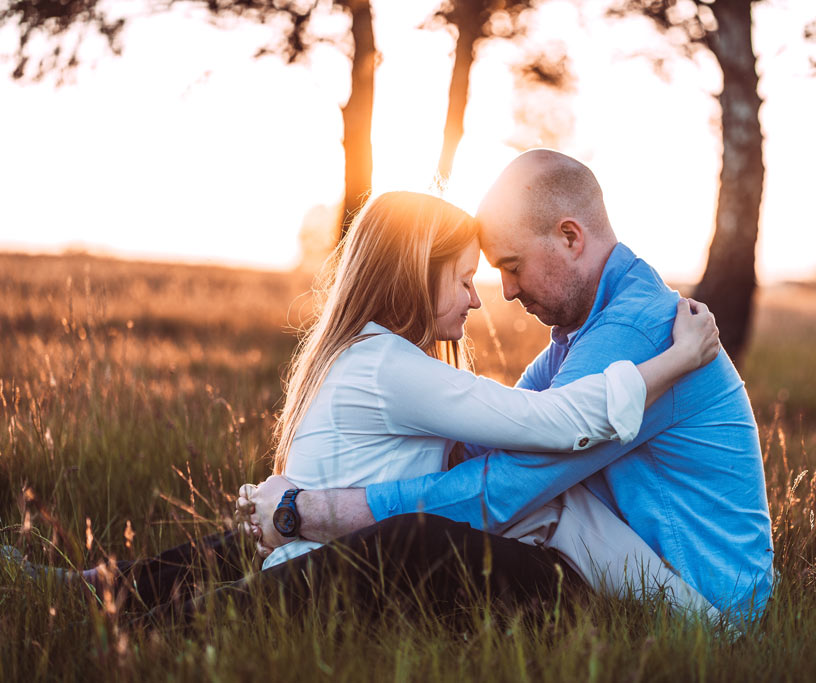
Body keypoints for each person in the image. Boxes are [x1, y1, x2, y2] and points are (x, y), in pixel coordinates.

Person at [4, 189, 719, 623]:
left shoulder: (359, 353)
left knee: (253, 548)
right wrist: (675, 360)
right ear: (415, 273)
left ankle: (96, 594)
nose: (477, 299)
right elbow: (552, 422)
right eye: (464, 278)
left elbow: (516, 418)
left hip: (316, 568)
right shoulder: (392, 367)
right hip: (334, 578)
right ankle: (131, 620)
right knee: (406, 538)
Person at [242, 150, 775, 629]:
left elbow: (507, 487)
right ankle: (230, 580)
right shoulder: (580, 336)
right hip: (626, 566)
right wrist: (303, 500)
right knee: (430, 539)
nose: (507, 291)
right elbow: (497, 442)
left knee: (440, 534)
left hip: (701, 604)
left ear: (570, 238)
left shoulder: (639, 331)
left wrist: (316, 511)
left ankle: (233, 605)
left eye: (512, 267)